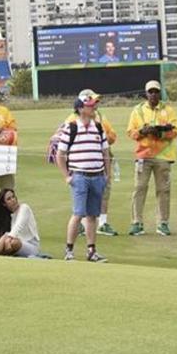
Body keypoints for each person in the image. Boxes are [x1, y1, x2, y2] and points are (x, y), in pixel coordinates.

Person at [56, 91, 110, 262]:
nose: (94, 107)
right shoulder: (71, 127)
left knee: (93, 215)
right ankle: (69, 251)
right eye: (90, 105)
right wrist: (67, 176)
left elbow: (105, 152)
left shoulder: (98, 127)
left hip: (97, 176)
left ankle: (91, 251)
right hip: (79, 176)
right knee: (78, 213)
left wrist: (106, 175)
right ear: (80, 109)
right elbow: (60, 154)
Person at [127, 80, 177, 236]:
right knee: (139, 188)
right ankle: (137, 222)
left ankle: (162, 223)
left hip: (163, 156)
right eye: (150, 92)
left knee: (163, 190)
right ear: (146, 93)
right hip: (143, 155)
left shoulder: (168, 110)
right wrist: (143, 131)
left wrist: (161, 133)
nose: (153, 94)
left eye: (156, 91)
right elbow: (131, 132)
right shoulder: (137, 110)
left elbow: (175, 131)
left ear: (160, 93)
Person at [64, 89, 120, 238]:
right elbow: (62, 147)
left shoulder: (100, 119)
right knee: (81, 202)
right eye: (92, 103)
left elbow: (112, 137)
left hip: (99, 162)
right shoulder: (71, 121)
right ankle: (80, 228)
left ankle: (102, 223)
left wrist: (99, 136)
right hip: (80, 166)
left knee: (103, 195)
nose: (95, 106)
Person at [0, 189, 43, 258]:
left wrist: (8, 238)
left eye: (13, 197)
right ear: (4, 204)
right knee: (11, 242)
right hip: (17, 243)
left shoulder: (24, 208)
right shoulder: (11, 216)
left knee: (10, 240)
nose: (13, 200)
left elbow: (19, 226)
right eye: (9, 199)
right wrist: (8, 240)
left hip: (32, 246)